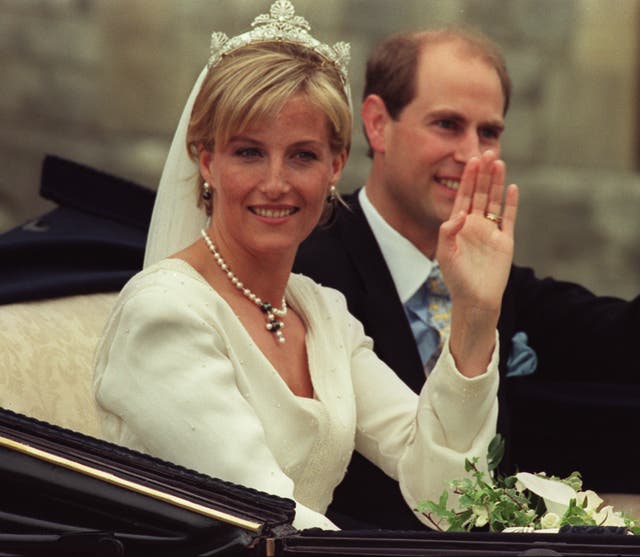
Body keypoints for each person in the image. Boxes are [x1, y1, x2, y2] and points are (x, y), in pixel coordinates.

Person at [93, 2, 519, 531]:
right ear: (206, 160)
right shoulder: (164, 315)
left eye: (302, 156)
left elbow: (450, 497)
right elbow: (265, 518)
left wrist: (476, 313)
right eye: (249, 152)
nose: (276, 182)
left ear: (336, 166)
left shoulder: (321, 315)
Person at [294, 27, 640, 529]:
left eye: (489, 133)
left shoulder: (497, 280)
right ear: (376, 124)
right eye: (447, 124)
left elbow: (620, 335)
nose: (472, 153)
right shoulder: (307, 270)